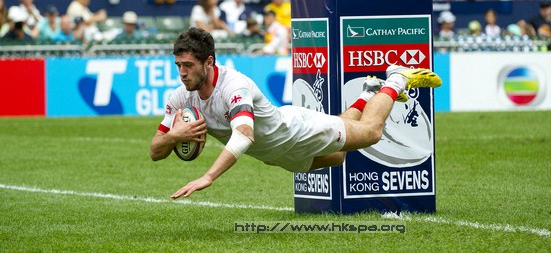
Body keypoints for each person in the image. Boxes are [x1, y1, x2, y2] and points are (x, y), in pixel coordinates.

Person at [150, 28, 442, 199]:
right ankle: (368, 92)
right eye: (178, 65)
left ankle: (396, 78)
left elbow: (244, 135)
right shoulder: (180, 97)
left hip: (297, 131)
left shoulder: (234, 86)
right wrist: (174, 135)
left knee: (371, 133)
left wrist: (208, 177)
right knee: (338, 157)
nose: (182, 72)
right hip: (277, 156)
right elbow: (155, 151)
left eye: (188, 65)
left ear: (209, 62)